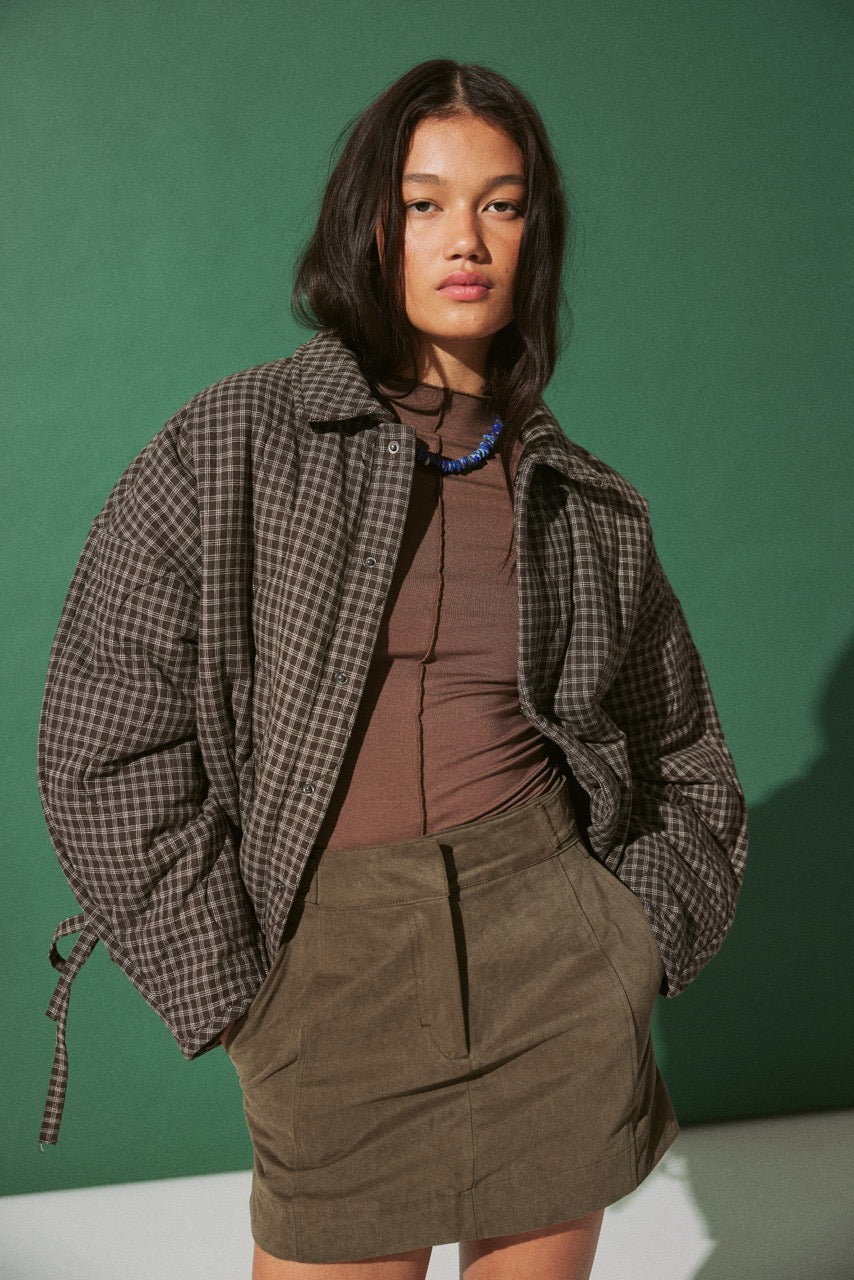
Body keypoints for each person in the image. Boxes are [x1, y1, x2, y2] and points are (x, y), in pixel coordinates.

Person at [38, 59, 747, 1280]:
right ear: (370, 225)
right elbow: (100, 736)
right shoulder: (233, 443)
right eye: (425, 203)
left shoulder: (585, 505)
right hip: (328, 973)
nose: (464, 238)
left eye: (500, 203)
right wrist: (238, 987)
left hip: (551, 970)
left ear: (534, 235)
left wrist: (626, 940)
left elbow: (681, 751)